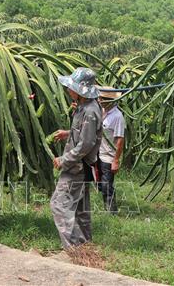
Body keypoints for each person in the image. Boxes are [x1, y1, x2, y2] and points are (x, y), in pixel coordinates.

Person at [50, 67, 103, 249]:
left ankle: (74, 248)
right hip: (82, 166)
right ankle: (86, 245)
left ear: (80, 91)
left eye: (71, 87)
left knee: (59, 205)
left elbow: (85, 144)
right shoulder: (85, 107)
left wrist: (63, 160)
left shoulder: (89, 111)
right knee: (81, 208)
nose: (68, 89)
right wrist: (68, 133)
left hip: (77, 166)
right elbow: (85, 135)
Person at [96, 86, 126, 214]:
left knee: (107, 185)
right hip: (98, 153)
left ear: (109, 100)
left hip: (109, 156)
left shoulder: (117, 116)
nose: (99, 100)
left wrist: (116, 160)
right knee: (100, 184)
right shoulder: (101, 111)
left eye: (101, 98)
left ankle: (111, 211)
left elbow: (120, 140)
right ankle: (107, 206)